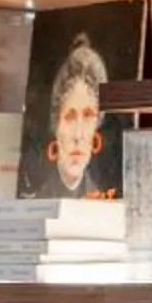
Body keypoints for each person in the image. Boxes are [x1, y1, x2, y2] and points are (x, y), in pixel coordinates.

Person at [42, 36, 114, 197]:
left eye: (88, 116)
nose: (79, 135)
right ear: (56, 123)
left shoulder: (102, 204)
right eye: (70, 117)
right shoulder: (35, 198)